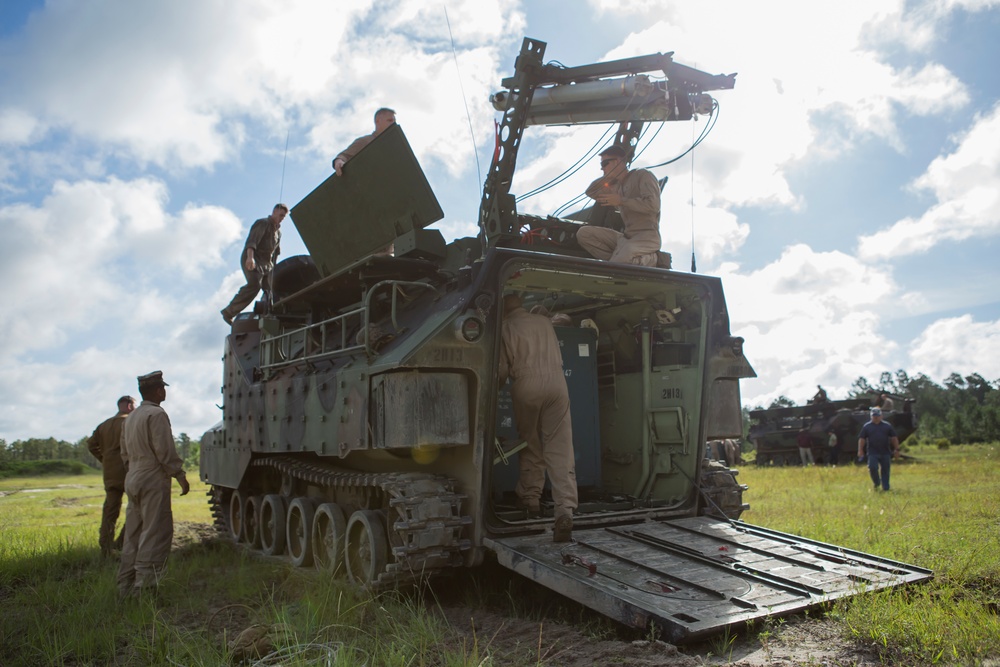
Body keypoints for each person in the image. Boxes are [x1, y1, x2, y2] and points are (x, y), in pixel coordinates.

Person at [498, 294, 577, 542]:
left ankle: (531, 499)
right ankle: (564, 508)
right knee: (560, 446)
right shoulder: (543, 322)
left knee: (530, 442)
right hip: (557, 384)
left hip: (526, 385)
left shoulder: (505, 327)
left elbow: (501, 370)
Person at [117, 371, 190, 599]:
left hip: (133, 476)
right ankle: (145, 589)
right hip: (152, 476)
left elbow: (124, 452)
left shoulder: (132, 417)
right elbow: (164, 450)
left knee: (133, 533)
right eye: (163, 388)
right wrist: (179, 474)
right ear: (158, 391)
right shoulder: (156, 414)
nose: (165, 391)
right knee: (155, 531)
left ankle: (125, 585)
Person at [578, 145, 662, 267]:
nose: (602, 169)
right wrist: (607, 177)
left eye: (605, 164)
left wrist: (621, 201)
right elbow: (591, 191)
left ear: (617, 162)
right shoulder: (616, 186)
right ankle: (620, 260)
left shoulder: (643, 175)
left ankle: (649, 259)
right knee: (584, 234)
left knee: (624, 255)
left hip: (646, 237)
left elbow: (653, 206)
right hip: (626, 237)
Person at [221, 204, 287, 325]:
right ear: (274, 212)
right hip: (253, 259)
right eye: (281, 215)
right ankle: (229, 312)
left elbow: (275, 253)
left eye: (284, 216)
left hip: (267, 265)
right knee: (254, 285)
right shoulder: (263, 223)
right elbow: (251, 242)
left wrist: (274, 270)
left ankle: (269, 316)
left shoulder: (278, 233)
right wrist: (250, 259)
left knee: (270, 291)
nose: (282, 218)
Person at [87, 395, 136, 557]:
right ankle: (122, 543)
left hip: (110, 474)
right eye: (134, 405)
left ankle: (106, 546)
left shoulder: (104, 426)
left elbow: (91, 444)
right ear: (129, 406)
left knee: (110, 510)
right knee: (136, 507)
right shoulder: (131, 423)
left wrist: (104, 459)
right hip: (130, 471)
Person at [332, 107, 397, 176]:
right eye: (390, 120)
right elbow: (344, 156)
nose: (393, 124)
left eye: (394, 121)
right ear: (378, 121)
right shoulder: (366, 141)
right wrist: (339, 162)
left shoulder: (396, 145)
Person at [857, 407, 900, 491]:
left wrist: (897, 449)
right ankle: (877, 482)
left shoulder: (887, 426)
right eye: (874, 416)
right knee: (872, 467)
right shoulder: (867, 427)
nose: (876, 418)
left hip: (885, 452)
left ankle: (886, 488)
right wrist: (860, 450)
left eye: (877, 416)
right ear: (871, 416)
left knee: (885, 470)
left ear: (881, 416)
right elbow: (862, 439)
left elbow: (894, 437)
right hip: (872, 452)